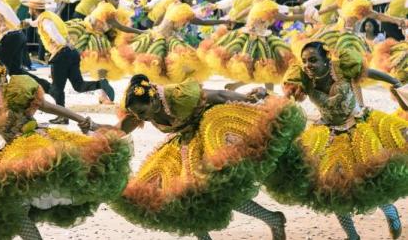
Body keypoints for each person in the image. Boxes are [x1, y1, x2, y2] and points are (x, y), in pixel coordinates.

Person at [0, 54, 131, 240]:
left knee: (69, 181)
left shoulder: (17, 88)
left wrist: (82, 120)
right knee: (9, 204)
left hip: (35, 142)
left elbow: (50, 107)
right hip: (11, 151)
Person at [113, 75, 305, 240]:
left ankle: (272, 219)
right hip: (187, 145)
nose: (140, 117)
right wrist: (94, 131)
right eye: (136, 114)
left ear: (153, 99)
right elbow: (119, 130)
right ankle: (272, 219)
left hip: (213, 133)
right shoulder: (138, 111)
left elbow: (220, 95)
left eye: (142, 112)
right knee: (187, 199)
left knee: (222, 189)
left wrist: (251, 101)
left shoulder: (179, 96)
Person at [266, 41, 408, 240]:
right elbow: (287, 101)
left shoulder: (343, 68)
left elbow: (374, 74)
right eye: (305, 61)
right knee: (333, 188)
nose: (308, 65)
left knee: (372, 179)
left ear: (326, 59)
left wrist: (396, 84)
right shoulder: (304, 80)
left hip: (361, 127)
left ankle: (391, 214)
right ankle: (352, 236)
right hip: (329, 133)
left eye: (313, 60)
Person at [199, 0, 306, 90]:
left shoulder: (258, 1)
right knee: (261, 67)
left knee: (264, 68)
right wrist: (304, 16)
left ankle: (253, 89)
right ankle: (259, 90)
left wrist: (233, 17)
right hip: (254, 38)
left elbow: (247, 10)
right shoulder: (265, 4)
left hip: (257, 35)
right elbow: (284, 17)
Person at [22, 0, 113, 123]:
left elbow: (55, 35)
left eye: (29, 9)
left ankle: (63, 116)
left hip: (61, 55)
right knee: (79, 86)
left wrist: (61, 46)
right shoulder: (48, 15)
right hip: (72, 53)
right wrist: (26, 22)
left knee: (57, 89)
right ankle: (101, 84)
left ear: (33, 9)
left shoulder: (45, 21)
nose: (28, 11)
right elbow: (35, 22)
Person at [115, 0, 231, 84]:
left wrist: (155, 30)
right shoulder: (184, 9)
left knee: (159, 64)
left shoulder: (173, 4)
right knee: (180, 62)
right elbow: (202, 22)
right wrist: (223, 21)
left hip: (156, 33)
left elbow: (159, 18)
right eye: (192, 0)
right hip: (166, 37)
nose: (193, 2)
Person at [66, 0, 143, 90]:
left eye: (118, 0)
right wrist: (140, 32)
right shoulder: (108, 9)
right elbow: (121, 27)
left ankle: (102, 90)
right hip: (96, 37)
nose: (118, 3)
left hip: (89, 32)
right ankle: (103, 92)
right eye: (116, 0)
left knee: (90, 62)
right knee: (103, 64)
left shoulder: (103, 4)